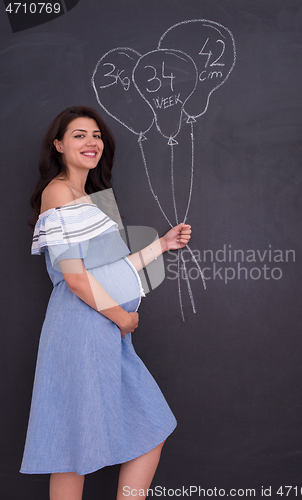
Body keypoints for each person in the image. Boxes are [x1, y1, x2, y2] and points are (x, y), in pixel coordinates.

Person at [20, 105, 191, 500]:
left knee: (148, 426)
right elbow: (77, 279)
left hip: (104, 330)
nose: (91, 142)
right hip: (83, 328)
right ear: (59, 145)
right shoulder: (58, 191)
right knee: (71, 446)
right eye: (79, 135)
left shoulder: (93, 198)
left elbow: (112, 269)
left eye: (96, 135)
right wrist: (122, 318)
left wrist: (161, 245)